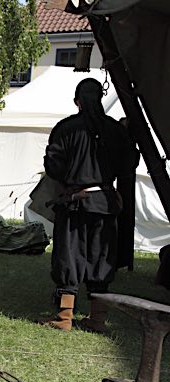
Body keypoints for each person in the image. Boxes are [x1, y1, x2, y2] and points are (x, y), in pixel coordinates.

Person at [42, 78, 138, 331]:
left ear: (78, 101)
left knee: (68, 256)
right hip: (104, 203)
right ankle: (97, 319)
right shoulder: (115, 131)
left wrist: (71, 178)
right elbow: (128, 164)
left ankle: (64, 318)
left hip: (75, 203)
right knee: (100, 257)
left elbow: (53, 165)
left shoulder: (65, 128)